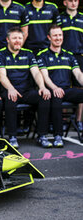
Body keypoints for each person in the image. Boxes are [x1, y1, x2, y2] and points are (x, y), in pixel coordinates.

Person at [0, 27, 51, 148]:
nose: (17, 41)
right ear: (7, 39)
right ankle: (12, 137)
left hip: (26, 91)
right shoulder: (0, 54)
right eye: (14, 38)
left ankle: (42, 136)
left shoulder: (29, 54)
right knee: (11, 98)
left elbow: (36, 73)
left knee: (44, 97)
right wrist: (10, 88)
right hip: (8, 90)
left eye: (20, 38)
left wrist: (42, 87)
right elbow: (1, 75)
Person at [37, 25, 83, 147]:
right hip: (52, 89)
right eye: (55, 35)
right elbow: (44, 76)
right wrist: (54, 88)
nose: (58, 38)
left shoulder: (69, 55)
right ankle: (58, 136)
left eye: (60, 35)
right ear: (49, 37)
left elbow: (78, 74)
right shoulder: (42, 55)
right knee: (56, 97)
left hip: (67, 89)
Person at [61, 0, 83, 130]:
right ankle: (64, 120)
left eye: (75, 0)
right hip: (63, 56)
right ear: (65, 2)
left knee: (80, 88)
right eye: (70, 0)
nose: (73, 3)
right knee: (63, 86)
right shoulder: (59, 18)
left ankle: (78, 120)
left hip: (79, 56)